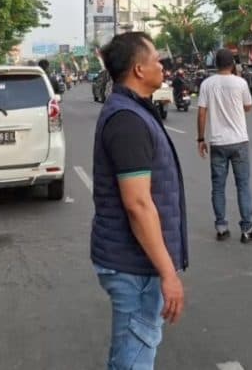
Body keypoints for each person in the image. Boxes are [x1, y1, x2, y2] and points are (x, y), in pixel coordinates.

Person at [91, 32, 188, 370]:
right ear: (138, 69)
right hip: (134, 265)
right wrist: (168, 273)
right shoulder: (128, 120)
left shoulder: (134, 111)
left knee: (130, 354)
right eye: (156, 59)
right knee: (134, 358)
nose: (162, 64)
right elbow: (138, 204)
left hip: (134, 260)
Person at [196, 48, 252, 244]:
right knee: (243, 186)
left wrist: (200, 139)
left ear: (215, 64)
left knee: (218, 187)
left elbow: (201, 113)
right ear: (232, 64)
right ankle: (247, 228)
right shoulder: (240, 83)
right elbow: (248, 107)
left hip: (218, 142)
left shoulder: (207, 84)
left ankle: (221, 227)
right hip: (239, 141)